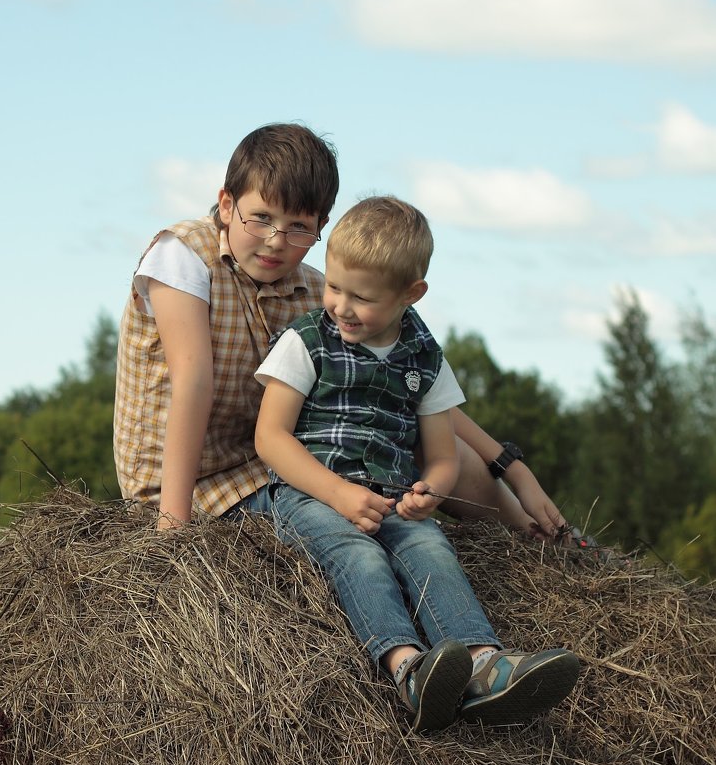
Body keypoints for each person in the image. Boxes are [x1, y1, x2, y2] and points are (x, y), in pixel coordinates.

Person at [113, 121, 569, 539]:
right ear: (228, 204)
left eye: (298, 227)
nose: (276, 240)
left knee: (437, 447)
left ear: (321, 228)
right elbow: (193, 380)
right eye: (261, 218)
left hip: (277, 463)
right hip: (188, 483)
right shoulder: (183, 254)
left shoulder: (324, 293)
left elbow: (413, 384)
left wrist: (511, 467)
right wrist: (173, 531)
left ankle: (546, 543)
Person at [253, 196, 580, 731]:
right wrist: (337, 493)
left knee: (430, 546)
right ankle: (408, 669)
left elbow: (444, 453)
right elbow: (270, 438)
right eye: (335, 287)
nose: (342, 306)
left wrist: (431, 489)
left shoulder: (425, 359)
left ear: (412, 294)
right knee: (357, 555)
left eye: (363, 297)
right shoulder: (306, 340)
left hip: (394, 493)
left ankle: (481, 663)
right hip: (309, 494)